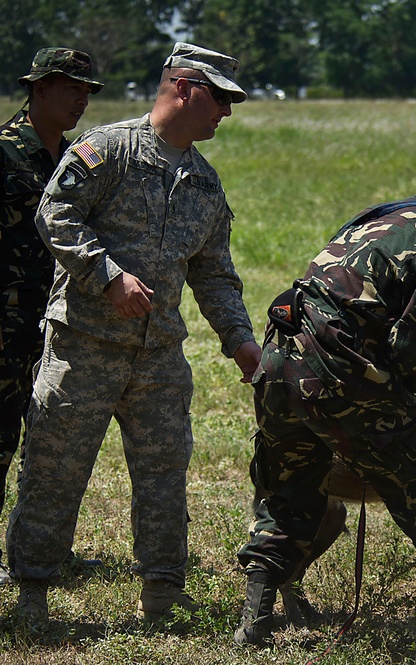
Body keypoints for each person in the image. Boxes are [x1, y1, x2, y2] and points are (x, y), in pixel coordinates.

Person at [5, 42, 262, 626]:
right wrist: (107, 276)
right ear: (184, 87)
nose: (226, 111)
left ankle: (163, 594)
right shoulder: (108, 150)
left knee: (165, 474)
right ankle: (33, 595)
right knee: (54, 470)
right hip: (84, 348)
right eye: (219, 98)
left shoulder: (204, 183)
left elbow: (215, 273)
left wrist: (241, 341)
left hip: (159, 360)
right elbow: (55, 214)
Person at [234, 149, 416, 657]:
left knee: (289, 488)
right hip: (336, 376)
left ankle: (253, 624)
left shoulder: (380, 215)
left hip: (277, 367)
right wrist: (409, 404)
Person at [0, 47, 103, 587]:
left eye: (87, 91)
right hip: (4, 330)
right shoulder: (3, 151)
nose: (81, 99)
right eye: (71, 88)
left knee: (50, 451)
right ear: (38, 89)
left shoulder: (76, 160)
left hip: (57, 328)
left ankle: (37, 555)